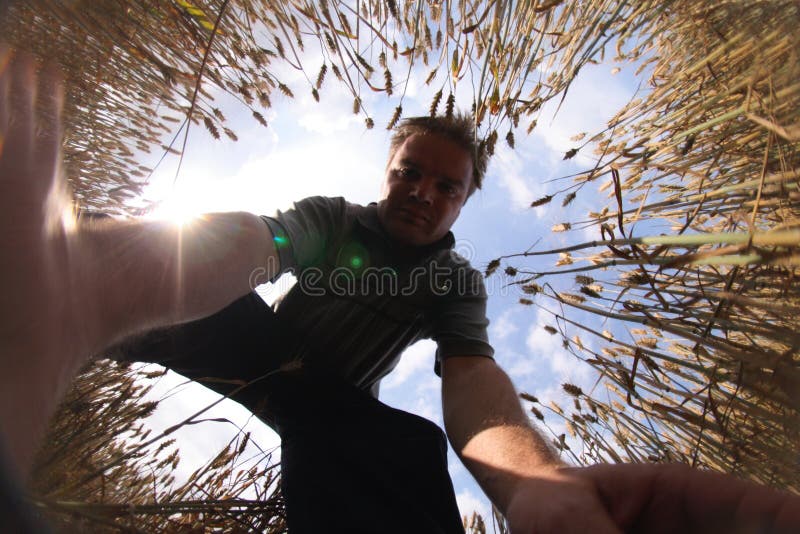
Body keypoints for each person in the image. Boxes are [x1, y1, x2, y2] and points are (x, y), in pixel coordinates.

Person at [2, 47, 800, 534]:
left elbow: (475, 383)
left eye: (444, 186)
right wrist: (93, 278)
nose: (421, 191)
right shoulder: (334, 223)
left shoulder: (454, 282)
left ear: (462, 201)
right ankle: (64, 304)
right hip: (255, 347)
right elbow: (249, 246)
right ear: (388, 174)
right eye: (408, 172)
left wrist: (533, 485)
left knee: (402, 447)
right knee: (149, 265)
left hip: (326, 400)